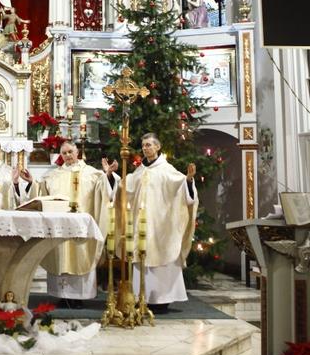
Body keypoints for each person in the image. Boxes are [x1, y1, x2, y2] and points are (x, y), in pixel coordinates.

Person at [103, 133, 198, 314]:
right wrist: (110, 175)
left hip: (162, 226)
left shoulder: (168, 170)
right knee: (142, 258)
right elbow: (123, 187)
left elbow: (183, 190)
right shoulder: (139, 171)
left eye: (149, 145)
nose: (145, 148)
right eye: (143, 145)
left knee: (162, 258)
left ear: (158, 147)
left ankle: (162, 300)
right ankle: (142, 297)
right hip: (141, 225)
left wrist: (189, 180)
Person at [29, 140, 111, 307]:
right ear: (61, 155)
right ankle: (62, 295)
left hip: (82, 228)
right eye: (64, 153)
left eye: (70, 152)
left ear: (77, 153)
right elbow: (41, 194)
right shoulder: (53, 176)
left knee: (80, 253)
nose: (67, 156)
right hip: (60, 228)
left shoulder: (92, 174)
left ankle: (79, 296)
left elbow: (104, 194)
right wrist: (32, 182)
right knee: (61, 255)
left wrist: (107, 176)